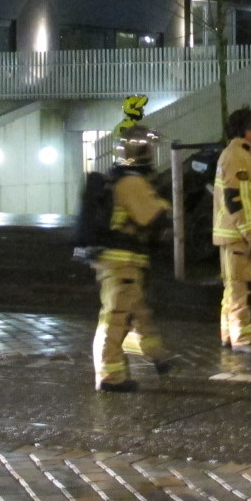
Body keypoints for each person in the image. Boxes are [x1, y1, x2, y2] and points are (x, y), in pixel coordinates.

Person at [90, 125, 175, 393]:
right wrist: (164, 205)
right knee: (115, 319)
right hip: (121, 263)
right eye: (146, 147)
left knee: (139, 312)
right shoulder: (131, 182)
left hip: (121, 261)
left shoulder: (119, 179)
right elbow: (150, 217)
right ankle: (109, 375)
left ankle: (157, 355)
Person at [213, 106, 251, 353]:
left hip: (233, 233)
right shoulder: (237, 156)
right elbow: (235, 199)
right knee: (238, 287)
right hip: (238, 234)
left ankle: (228, 334)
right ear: (246, 130)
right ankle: (242, 338)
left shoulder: (238, 155)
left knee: (233, 286)